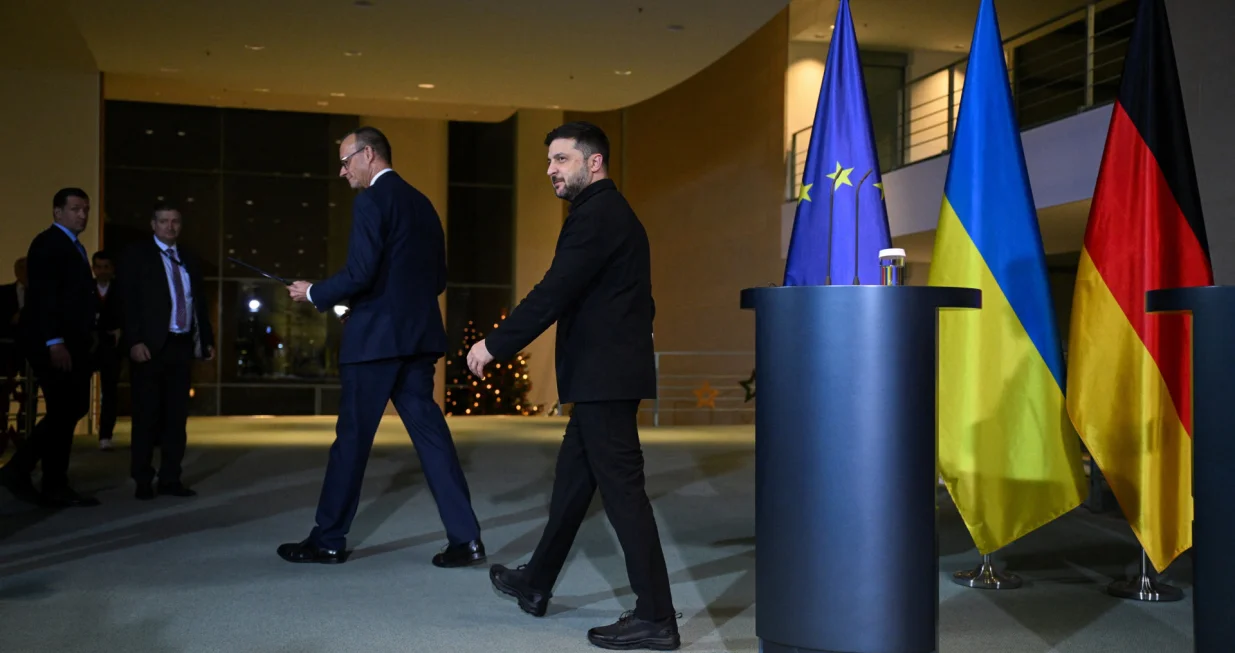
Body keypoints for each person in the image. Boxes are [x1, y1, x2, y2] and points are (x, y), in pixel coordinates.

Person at [467, 121, 679, 651]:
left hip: (604, 378)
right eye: (549, 162)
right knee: (571, 485)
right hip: (601, 376)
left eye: (561, 160)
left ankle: (656, 617)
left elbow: (554, 291)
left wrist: (495, 344)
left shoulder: (599, 215)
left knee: (624, 494)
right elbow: (639, 298)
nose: (551, 171)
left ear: (594, 162)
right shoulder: (607, 215)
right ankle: (536, 583)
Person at [280, 126, 483, 567]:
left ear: (368, 155)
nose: (342, 170)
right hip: (418, 338)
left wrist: (315, 292)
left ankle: (329, 539)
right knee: (432, 440)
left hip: (374, 343)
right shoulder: (424, 204)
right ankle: (466, 539)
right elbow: (437, 280)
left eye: (346, 159)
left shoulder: (372, 200)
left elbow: (360, 272)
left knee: (351, 441)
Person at [0, 189, 100, 508]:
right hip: (54, 342)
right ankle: (23, 471)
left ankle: (51, 480)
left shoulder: (73, 246)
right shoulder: (48, 244)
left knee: (70, 408)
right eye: (75, 209)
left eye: (85, 209)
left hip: (72, 341)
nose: (82, 215)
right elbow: (43, 297)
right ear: (58, 213)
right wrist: (54, 341)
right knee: (65, 409)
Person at [121, 203, 214, 500]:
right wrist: (134, 341)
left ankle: (171, 478)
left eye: (175, 222)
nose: (170, 227)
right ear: (153, 225)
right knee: (147, 416)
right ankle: (143, 479)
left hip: (181, 345)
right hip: (149, 347)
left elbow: (198, 302)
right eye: (164, 221)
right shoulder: (138, 256)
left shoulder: (188, 258)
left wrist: (207, 340)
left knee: (177, 418)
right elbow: (129, 302)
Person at [91, 250, 123, 450]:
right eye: (99, 267)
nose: (102, 271)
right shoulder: (85, 289)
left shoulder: (121, 290)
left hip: (112, 346)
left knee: (110, 392)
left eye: (106, 267)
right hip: (89, 346)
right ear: (93, 269)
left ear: (112, 269)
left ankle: (105, 435)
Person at [0, 257, 29, 451]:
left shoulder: (42, 294)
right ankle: (2, 434)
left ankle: (24, 432)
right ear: (17, 272)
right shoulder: (3, 293)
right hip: (7, 351)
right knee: (3, 394)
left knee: (29, 395)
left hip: (31, 352)